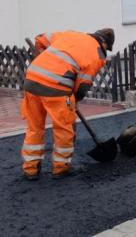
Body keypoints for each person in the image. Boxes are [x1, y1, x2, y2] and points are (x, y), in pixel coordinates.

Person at [20, 28, 115, 180]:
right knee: (64, 128)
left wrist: (42, 54)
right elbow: (83, 86)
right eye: (107, 48)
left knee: (34, 128)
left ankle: (30, 169)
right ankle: (61, 168)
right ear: (103, 42)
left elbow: (40, 39)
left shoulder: (72, 34)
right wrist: (74, 101)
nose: (105, 51)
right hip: (57, 88)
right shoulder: (97, 53)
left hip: (31, 80)